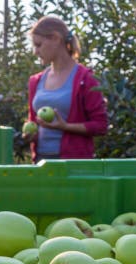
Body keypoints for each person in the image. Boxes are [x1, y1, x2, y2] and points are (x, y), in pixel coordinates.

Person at [24, 16, 107, 161]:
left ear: (56, 38)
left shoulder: (86, 79)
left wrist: (65, 126)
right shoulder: (35, 81)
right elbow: (34, 121)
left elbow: (100, 126)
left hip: (73, 163)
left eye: (38, 45)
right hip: (41, 160)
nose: (35, 52)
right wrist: (31, 134)